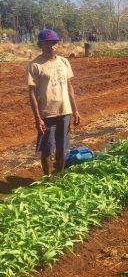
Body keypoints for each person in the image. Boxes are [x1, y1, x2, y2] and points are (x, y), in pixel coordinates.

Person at [27, 29, 81, 175]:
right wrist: (38, 118)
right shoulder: (35, 65)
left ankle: (59, 176)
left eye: (55, 42)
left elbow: (70, 87)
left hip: (65, 112)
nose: (52, 46)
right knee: (47, 150)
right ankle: (48, 180)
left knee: (62, 148)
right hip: (47, 114)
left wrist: (75, 110)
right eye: (48, 42)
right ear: (41, 44)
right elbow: (31, 93)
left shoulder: (64, 62)